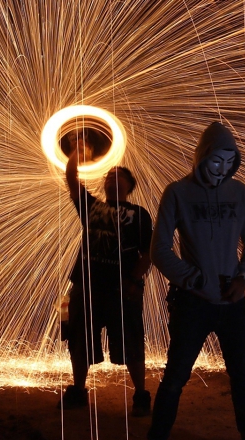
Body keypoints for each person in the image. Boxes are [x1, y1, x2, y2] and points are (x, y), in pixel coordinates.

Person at [147, 122, 245, 440]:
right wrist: (192, 279)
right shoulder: (177, 192)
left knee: (242, 374)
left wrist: (244, 277)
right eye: (216, 161)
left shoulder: (240, 193)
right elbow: (159, 250)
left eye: (230, 162)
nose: (222, 169)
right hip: (193, 303)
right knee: (175, 376)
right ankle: (156, 439)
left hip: (232, 301)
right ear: (202, 157)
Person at [59, 128, 154, 417]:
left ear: (129, 185)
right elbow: (71, 179)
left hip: (121, 290)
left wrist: (134, 280)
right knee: (78, 340)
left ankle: (141, 395)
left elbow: (149, 252)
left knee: (131, 342)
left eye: (118, 176)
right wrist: (77, 151)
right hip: (86, 287)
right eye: (109, 176)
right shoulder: (92, 206)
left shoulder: (139, 214)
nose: (112, 178)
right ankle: (78, 391)